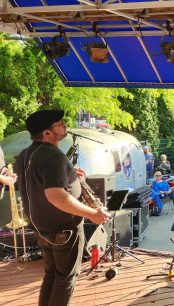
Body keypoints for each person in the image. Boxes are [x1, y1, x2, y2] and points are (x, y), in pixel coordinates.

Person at [15, 109, 110, 306]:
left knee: (52, 275)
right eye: (60, 123)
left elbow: (38, 181)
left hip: (42, 229)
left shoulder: (26, 154)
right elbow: (56, 196)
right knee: (65, 280)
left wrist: (69, 174)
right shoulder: (53, 156)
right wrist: (93, 213)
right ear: (47, 133)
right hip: (64, 230)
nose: (65, 124)